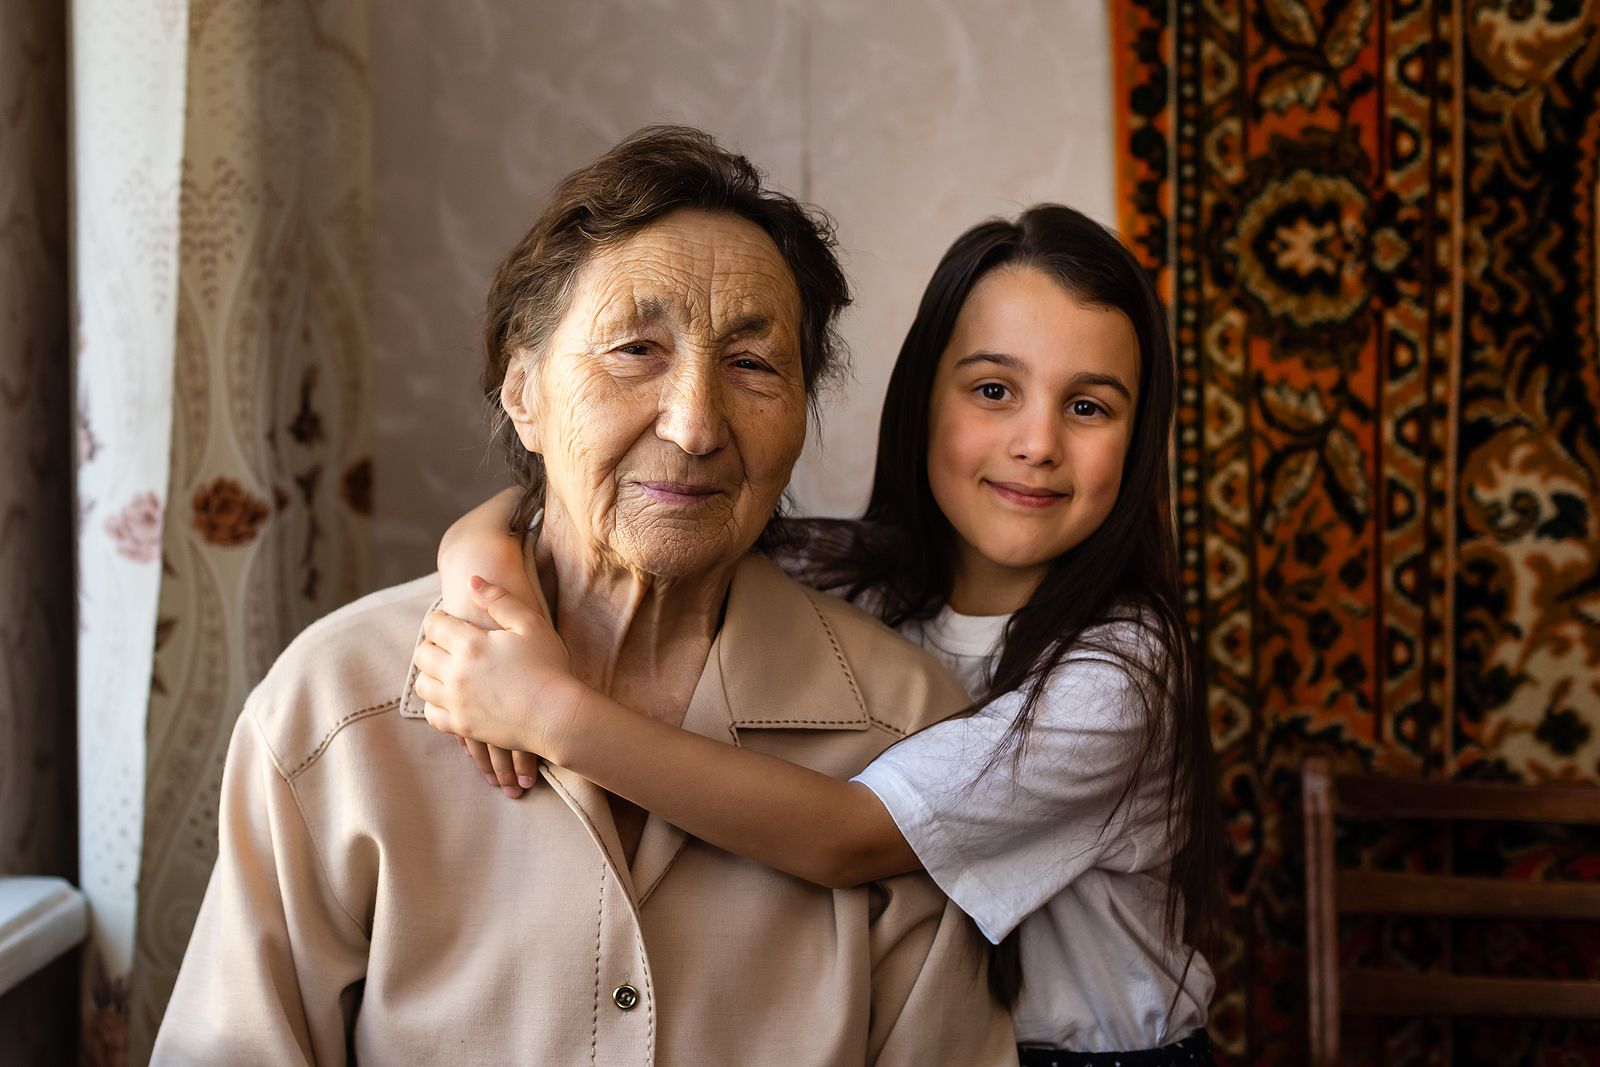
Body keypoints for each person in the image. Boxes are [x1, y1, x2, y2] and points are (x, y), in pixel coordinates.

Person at [151, 126, 1017, 1066]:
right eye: (637, 348)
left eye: (753, 364)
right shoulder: (338, 709)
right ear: (521, 389)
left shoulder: (905, 737)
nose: (693, 425)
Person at [415, 203, 1224, 1066]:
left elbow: (847, 835)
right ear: (922, 399)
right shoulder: (843, 574)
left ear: (1140, 443)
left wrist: (550, 714)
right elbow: (576, 508)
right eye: (994, 390)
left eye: (1090, 407)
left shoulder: (1123, 673)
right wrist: (482, 578)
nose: (1036, 442)